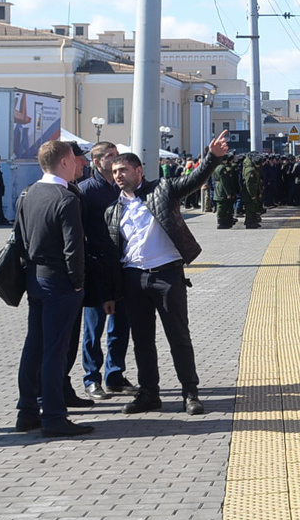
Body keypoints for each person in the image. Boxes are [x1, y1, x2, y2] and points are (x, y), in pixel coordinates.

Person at [107, 136, 227, 414]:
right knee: (142, 340)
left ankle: (190, 393)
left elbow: (194, 180)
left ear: (138, 171)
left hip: (167, 277)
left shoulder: (163, 189)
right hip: (134, 279)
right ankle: (149, 393)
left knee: (178, 337)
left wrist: (212, 157)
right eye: (114, 172)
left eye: (123, 170)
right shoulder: (113, 211)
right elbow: (113, 254)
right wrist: (110, 293)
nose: (118, 176)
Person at [14, 138, 94, 438]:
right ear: (63, 162)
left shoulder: (28, 193)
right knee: (55, 351)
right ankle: (55, 417)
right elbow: (74, 248)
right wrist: (78, 283)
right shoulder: (66, 198)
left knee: (34, 346)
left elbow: (20, 239)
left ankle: (27, 411)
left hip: (34, 278)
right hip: (59, 282)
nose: (78, 164)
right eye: (75, 159)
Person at [76, 140, 130, 397]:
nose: (115, 159)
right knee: (93, 328)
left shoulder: (124, 188)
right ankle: (91, 378)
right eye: (109, 156)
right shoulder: (86, 191)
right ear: (97, 162)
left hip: (123, 266)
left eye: (117, 155)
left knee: (121, 325)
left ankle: (115, 375)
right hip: (97, 268)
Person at [240, 150, 263, 229]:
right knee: (250, 208)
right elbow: (249, 183)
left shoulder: (254, 169)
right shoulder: (251, 170)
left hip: (253, 191)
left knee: (253, 207)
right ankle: (249, 223)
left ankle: (251, 221)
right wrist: (252, 194)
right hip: (249, 193)